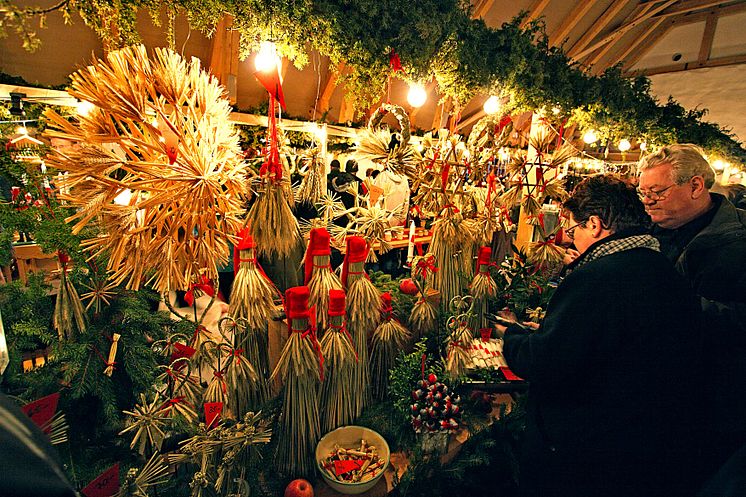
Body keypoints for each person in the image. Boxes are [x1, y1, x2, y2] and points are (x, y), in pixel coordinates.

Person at [499, 175, 703, 497]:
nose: (571, 239)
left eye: (574, 229)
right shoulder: (661, 268)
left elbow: (547, 361)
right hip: (646, 447)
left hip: (588, 455)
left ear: (594, 224)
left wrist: (510, 337)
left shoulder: (599, 277)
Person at [637, 144, 746, 483]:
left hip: (712, 405)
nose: (648, 201)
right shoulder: (659, 228)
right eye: (643, 193)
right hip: (666, 394)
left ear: (696, 187)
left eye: (656, 192)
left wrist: (670, 305)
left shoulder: (735, 243)